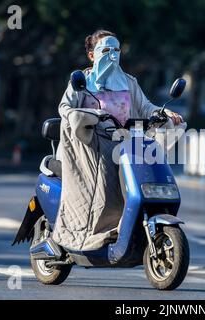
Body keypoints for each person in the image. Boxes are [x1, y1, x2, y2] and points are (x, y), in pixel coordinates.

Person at [52, 29, 183, 251]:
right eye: (106, 50)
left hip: (126, 145)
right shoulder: (83, 81)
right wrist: (82, 116)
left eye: (116, 50)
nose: (112, 55)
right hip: (92, 147)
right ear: (92, 55)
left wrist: (164, 113)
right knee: (104, 187)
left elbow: (146, 106)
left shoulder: (128, 82)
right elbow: (65, 108)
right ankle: (90, 234)